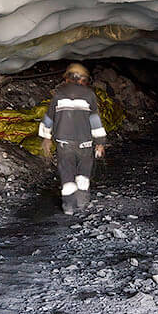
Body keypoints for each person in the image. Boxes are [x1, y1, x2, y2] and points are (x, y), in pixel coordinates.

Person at [39, 63, 107, 214]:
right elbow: (95, 120)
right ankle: (82, 203)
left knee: (67, 173)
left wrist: (46, 138)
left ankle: (68, 206)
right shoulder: (89, 95)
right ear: (83, 79)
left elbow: (49, 118)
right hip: (85, 143)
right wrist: (100, 143)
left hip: (64, 144)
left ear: (68, 78)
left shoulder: (58, 95)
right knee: (83, 172)